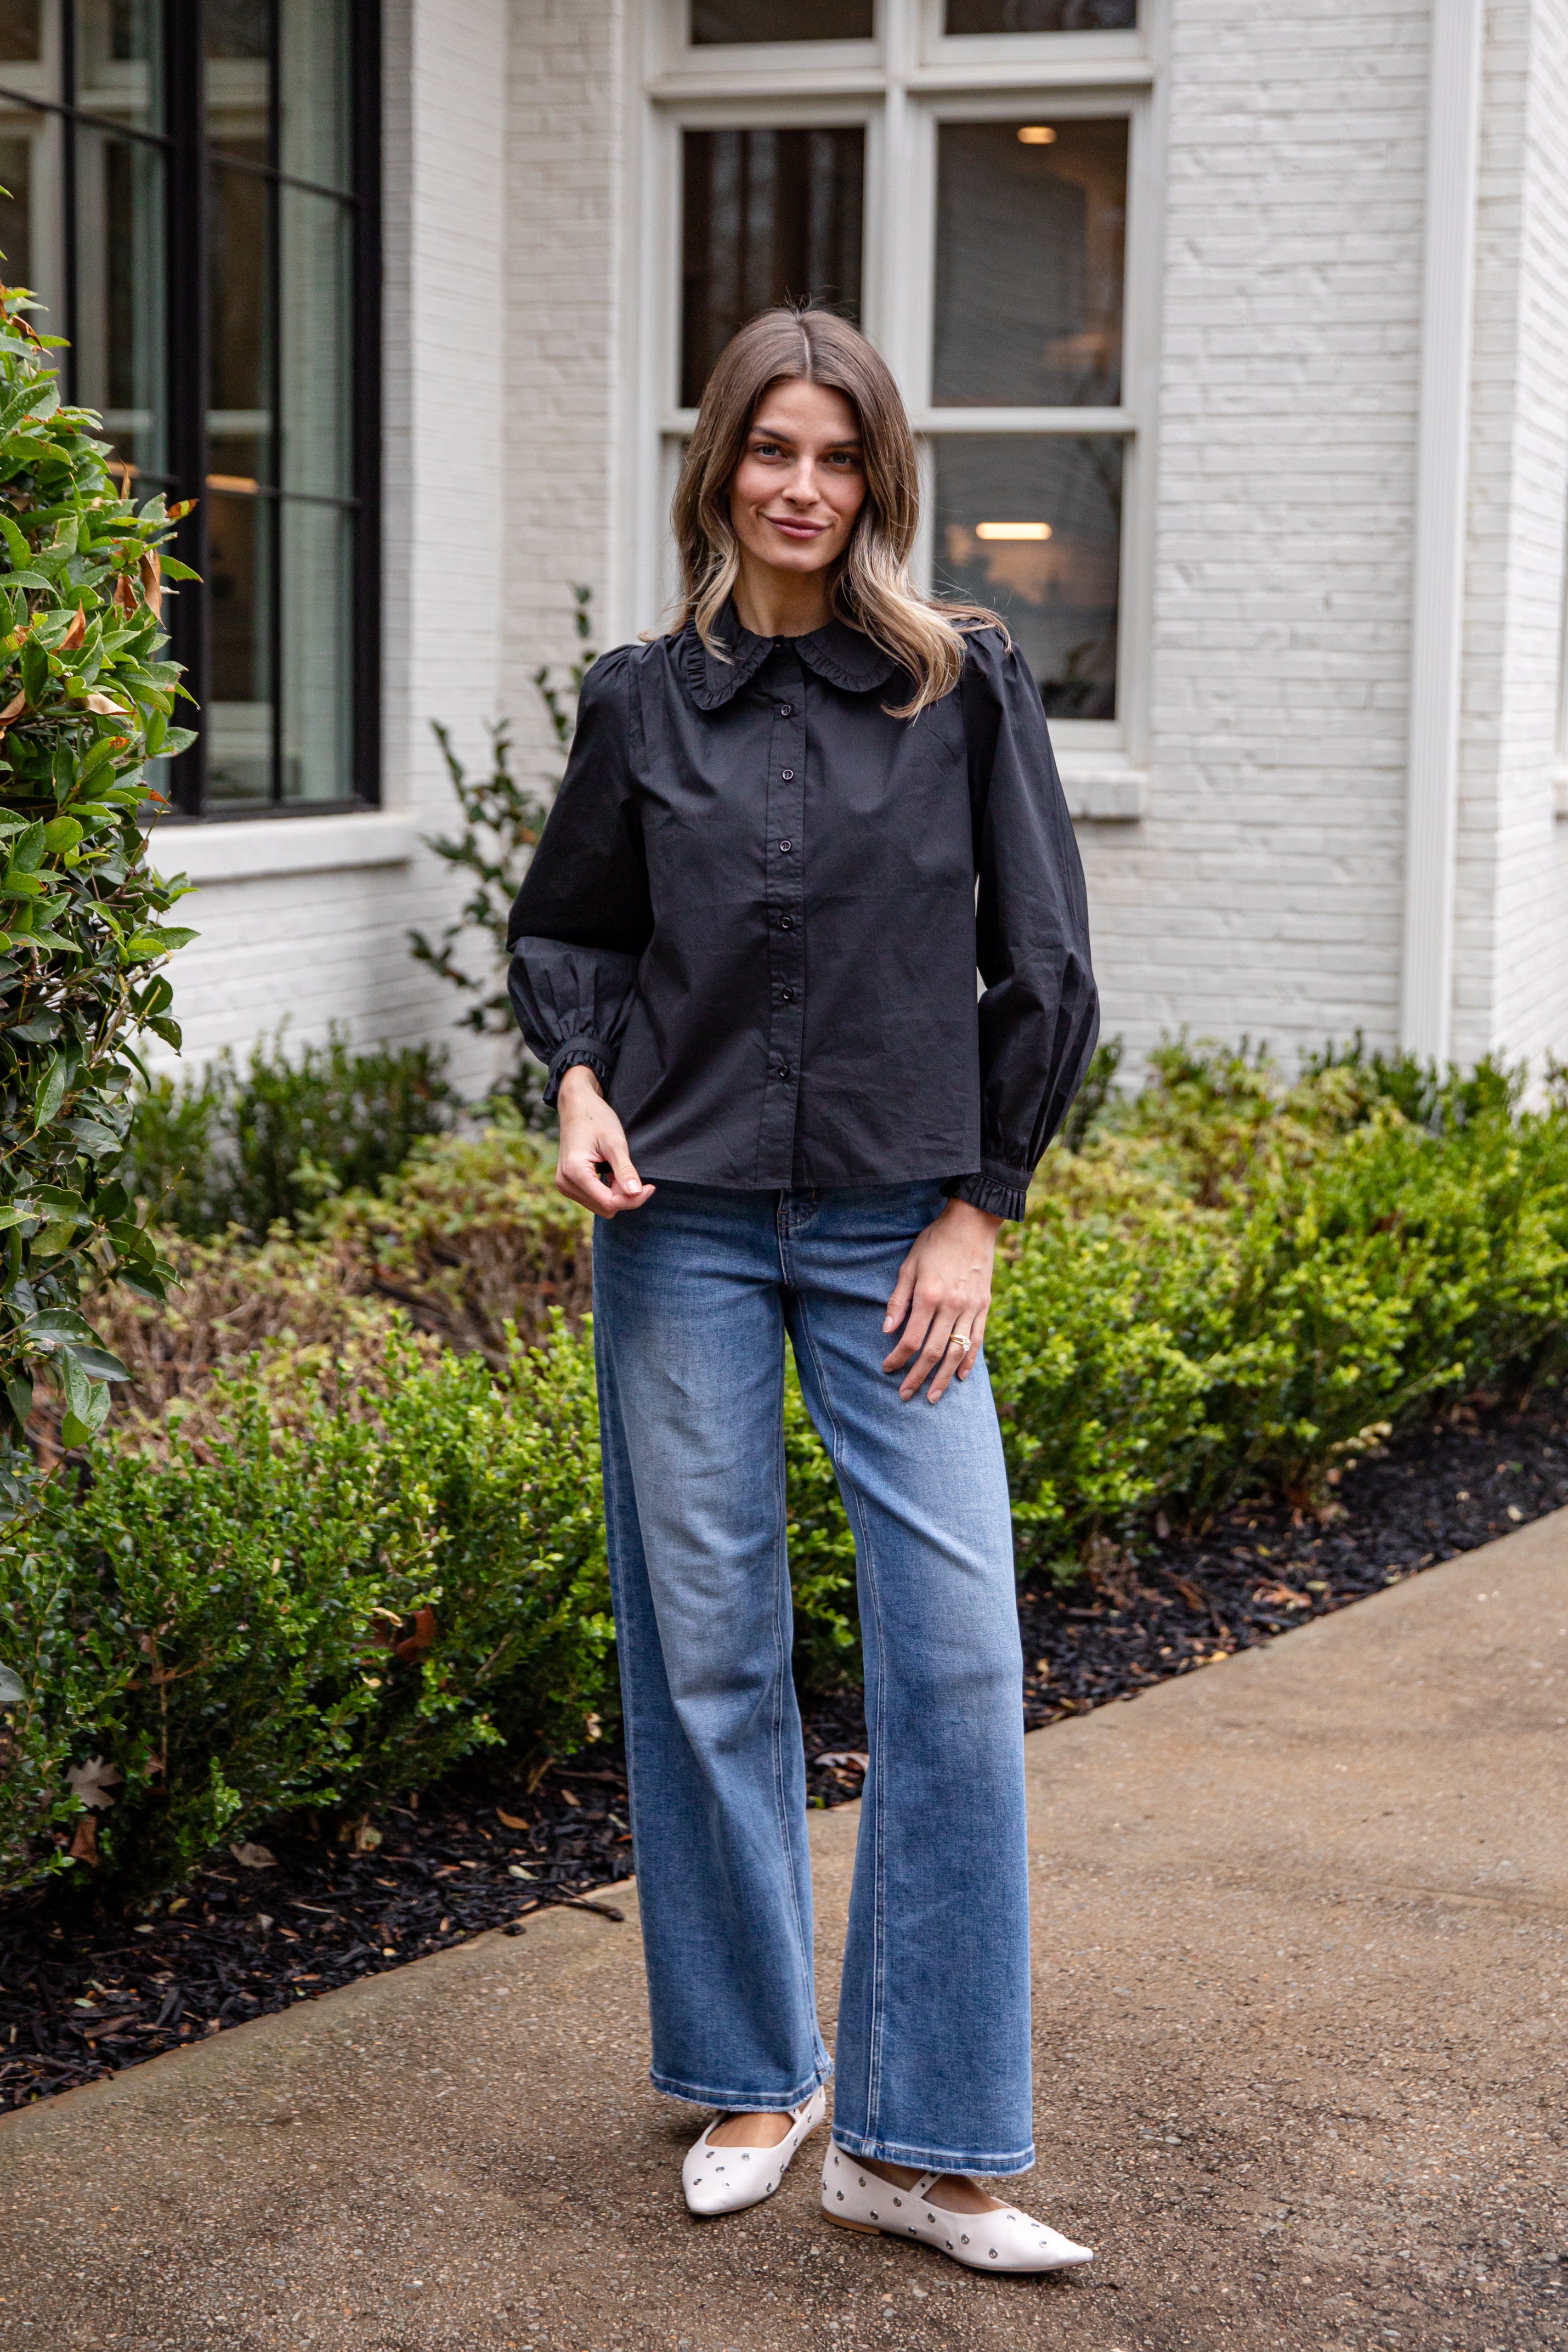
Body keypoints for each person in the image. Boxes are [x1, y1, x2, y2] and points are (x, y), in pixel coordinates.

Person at [507, 307, 1099, 2274]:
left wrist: (976, 1215)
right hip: (669, 1219)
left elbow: (1047, 968)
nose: (802, 487)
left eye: (838, 459)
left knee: (948, 1659)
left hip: (887, 1232)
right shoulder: (636, 700)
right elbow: (571, 933)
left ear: (880, 482)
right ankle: (760, 2078)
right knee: (706, 1656)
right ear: (718, 467)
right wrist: (579, 1085)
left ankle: (919, 2146)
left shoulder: (964, 688)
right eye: (771, 449)